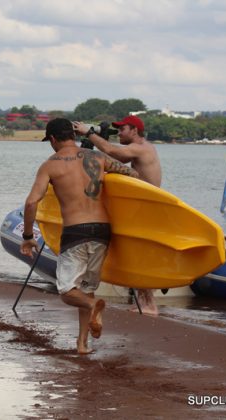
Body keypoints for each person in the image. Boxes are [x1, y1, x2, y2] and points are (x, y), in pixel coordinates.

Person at [20, 118, 139, 354]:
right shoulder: (97, 158)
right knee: (86, 289)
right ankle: (82, 344)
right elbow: (132, 175)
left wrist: (27, 235)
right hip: (103, 232)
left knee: (67, 291)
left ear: (53, 139)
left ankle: (94, 306)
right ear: (72, 135)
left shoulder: (50, 165)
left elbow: (32, 201)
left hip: (76, 232)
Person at [73, 115, 162, 316]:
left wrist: (89, 133)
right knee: (136, 256)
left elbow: (114, 153)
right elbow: (117, 160)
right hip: (143, 209)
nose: (119, 133)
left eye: (122, 129)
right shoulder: (143, 148)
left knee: (139, 258)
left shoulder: (142, 149)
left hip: (146, 210)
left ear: (134, 131)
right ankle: (144, 302)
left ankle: (149, 305)